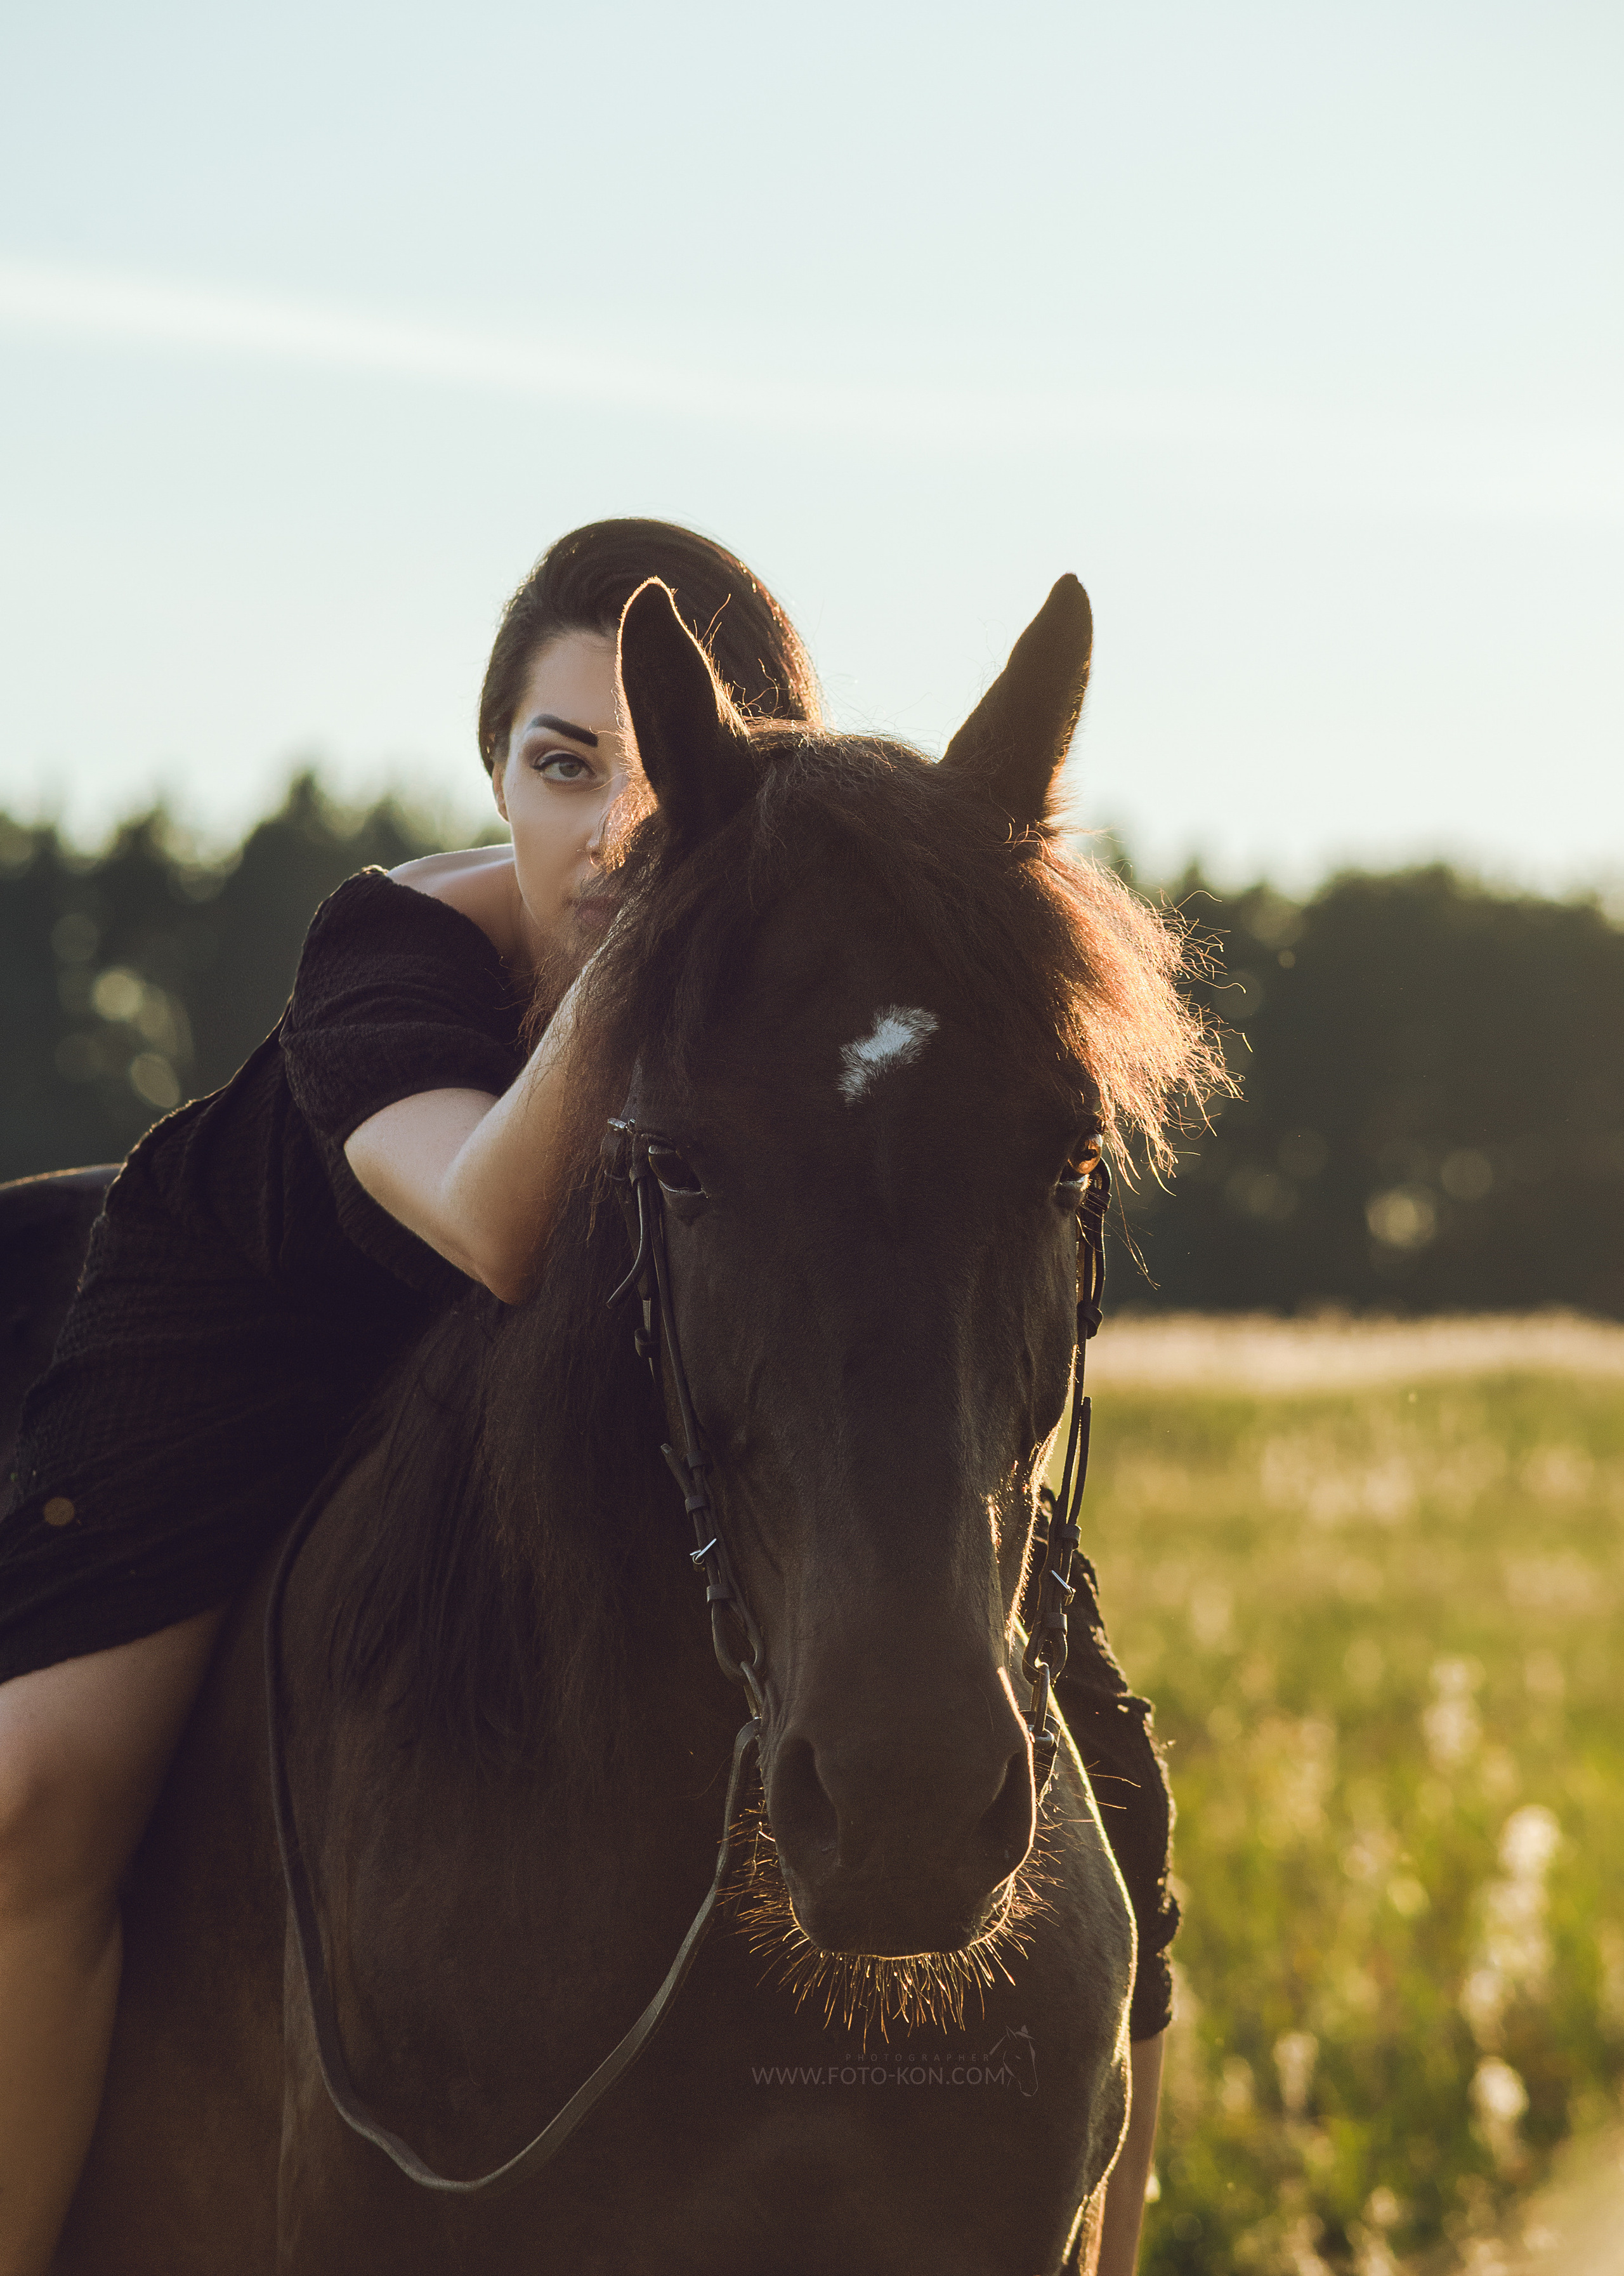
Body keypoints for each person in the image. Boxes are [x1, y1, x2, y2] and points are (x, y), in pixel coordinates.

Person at [0, 518, 1173, 2275]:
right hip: (248, 1324)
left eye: (666, 782)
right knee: (38, 1799)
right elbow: (487, 1220)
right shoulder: (393, 950)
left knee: (1102, 1748)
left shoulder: (782, 995)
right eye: (565, 768)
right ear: (497, 770)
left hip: (545, 1342)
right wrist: (686, 897)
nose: (610, 829)